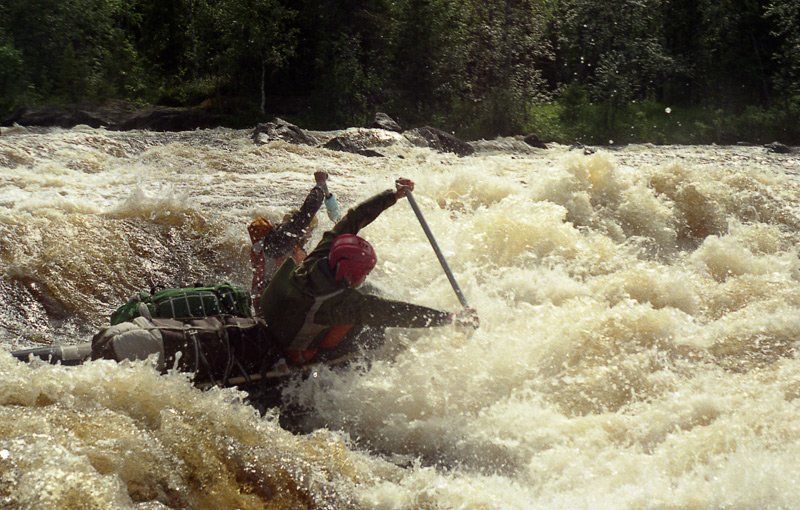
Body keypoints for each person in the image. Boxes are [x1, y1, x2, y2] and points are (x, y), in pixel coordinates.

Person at [261, 177, 478, 368]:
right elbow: (395, 312)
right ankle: (325, 360)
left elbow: (353, 219)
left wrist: (393, 196)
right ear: (352, 275)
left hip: (277, 320)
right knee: (369, 324)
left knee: (361, 308)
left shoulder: (319, 256)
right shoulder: (341, 303)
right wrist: (450, 318)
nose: (365, 277)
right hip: (295, 350)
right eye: (364, 273)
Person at [248, 171, 341, 313]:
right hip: (269, 306)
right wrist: (320, 184)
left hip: (274, 304)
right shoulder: (279, 242)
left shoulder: (293, 246)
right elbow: (307, 211)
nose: (310, 235)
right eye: (309, 230)